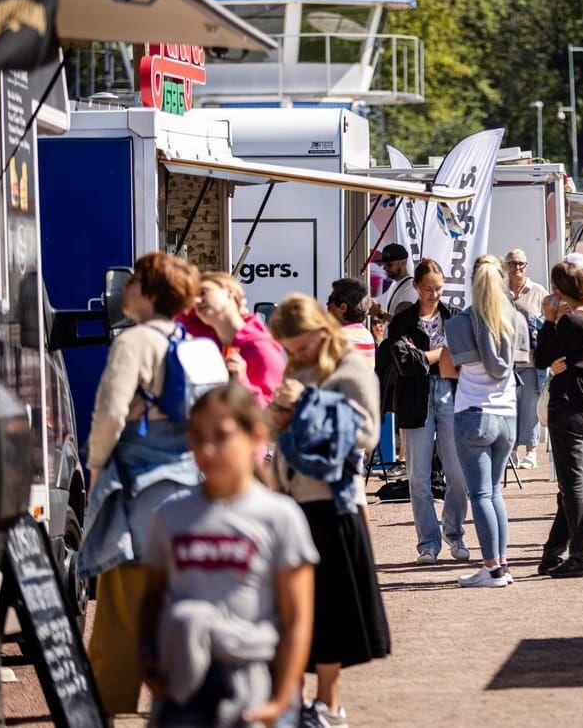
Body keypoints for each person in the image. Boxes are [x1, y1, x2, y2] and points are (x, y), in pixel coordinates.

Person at [139, 384, 316, 727]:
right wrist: (147, 656)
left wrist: (281, 700)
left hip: (255, 682)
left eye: (222, 436)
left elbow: (297, 620)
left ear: (255, 438)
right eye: (197, 437)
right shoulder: (169, 516)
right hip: (183, 690)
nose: (207, 448)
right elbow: (151, 598)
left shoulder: (280, 517)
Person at [80, 252, 205, 715]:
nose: (124, 290)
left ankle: (108, 702)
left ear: (148, 292)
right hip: (187, 485)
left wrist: (96, 464)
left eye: (132, 283)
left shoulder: (132, 342)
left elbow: (111, 411)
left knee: (119, 601)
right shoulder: (194, 343)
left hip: (136, 483)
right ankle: (179, 697)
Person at [267, 295, 390, 725]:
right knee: (293, 610)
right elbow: (279, 431)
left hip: (332, 502)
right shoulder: (298, 369)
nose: (297, 356)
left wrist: (304, 403)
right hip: (290, 500)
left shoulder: (351, 368)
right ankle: (295, 701)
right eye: (289, 349)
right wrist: (275, 414)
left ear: (323, 329)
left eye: (301, 346)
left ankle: (329, 704)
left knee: (329, 609)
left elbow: (366, 431)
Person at [378, 258, 469, 566]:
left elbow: (464, 358)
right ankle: (427, 543)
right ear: (416, 287)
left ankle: (454, 532)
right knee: (418, 477)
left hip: (450, 394)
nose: (434, 294)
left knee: (457, 473)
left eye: (439, 288)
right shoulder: (402, 322)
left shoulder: (455, 317)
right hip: (415, 398)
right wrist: (440, 354)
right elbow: (406, 365)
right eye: (428, 288)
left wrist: (424, 357)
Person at [446, 257, 524, 587]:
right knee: (494, 493)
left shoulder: (461, 322)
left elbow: (450, 369)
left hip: (473, 413)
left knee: (480, 495)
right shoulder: (516, 319)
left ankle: (491, 568)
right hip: (507, 415)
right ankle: (501, 565)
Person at [535, 261, 583, 578]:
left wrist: (549, 321)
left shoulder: (570, 322)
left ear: (558, 290)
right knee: (574, 486)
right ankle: (553, 553)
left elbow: (541, 357)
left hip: (571, 411)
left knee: (573, 487)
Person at [184, 271, 286, 410]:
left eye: (203, 292)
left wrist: (242, 382)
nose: (197, 301)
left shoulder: (261, 348)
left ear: (229, 292)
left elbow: (274, 410)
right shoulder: (210, 342)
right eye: (194, 298)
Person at [505, 248, 550, 471]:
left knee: (531, 407)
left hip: (532, 361)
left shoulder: (538, 292)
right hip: (507, 361)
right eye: (513, 263)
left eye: (521, 263)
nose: (517, 268)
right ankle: (511, 450)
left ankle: (531, 452)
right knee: (510, 407)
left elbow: (550, 322)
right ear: (506, 267)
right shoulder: (500, 293)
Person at [327, 277, 377, 363]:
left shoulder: (338, 337)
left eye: (330, 299)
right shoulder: (366, 335)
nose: (327, 304)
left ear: (343, 308)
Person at [376, 243, 414, 314]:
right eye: (384, 264)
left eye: (390, 264)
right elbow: (392, 318)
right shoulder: (394, 284)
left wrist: (379, 313)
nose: (385, 268)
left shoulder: (411, 288)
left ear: (403, 263)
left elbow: (404, 323)